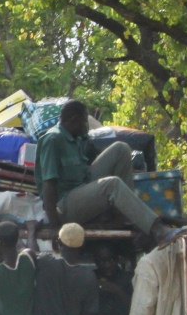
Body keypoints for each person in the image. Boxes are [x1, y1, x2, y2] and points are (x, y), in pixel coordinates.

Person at [35, 100, 177, 243]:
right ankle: (157, 229)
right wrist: (54, 227)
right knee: (112, 184)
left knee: (121, 148)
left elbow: (87, 165)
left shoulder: (76, 137)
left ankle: (124, 216)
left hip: (82, 185)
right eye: (84, 122)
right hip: (65, 205)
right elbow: (49, 184)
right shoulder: (53, 139)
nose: (86, 126)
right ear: (74, 120)